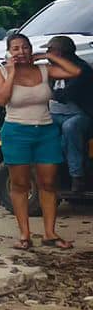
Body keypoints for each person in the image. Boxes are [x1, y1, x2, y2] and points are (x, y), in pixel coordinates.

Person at [0, 32, 76, 250]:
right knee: (20, 184)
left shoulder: (44, 70)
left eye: (25, 47)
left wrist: (47, 56)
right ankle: (24, 235)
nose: (21, 52)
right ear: (9, 52)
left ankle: (49, 233)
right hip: (16, 131)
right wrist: (11, 73)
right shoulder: (0, 71)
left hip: (46, 130)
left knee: (48, 183)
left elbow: (75, 71)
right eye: (16, 49)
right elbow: (1, 99)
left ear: (31, 49)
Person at [45, 35, 92, 194]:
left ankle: (77, 176)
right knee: (41, 126)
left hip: (79, 115)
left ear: (59, 52)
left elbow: (66, 95)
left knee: (70, 128)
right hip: (55, 115)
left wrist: (48, 94)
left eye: (50, 50)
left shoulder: (81, 69)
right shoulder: (52, 70)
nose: (47, 53)